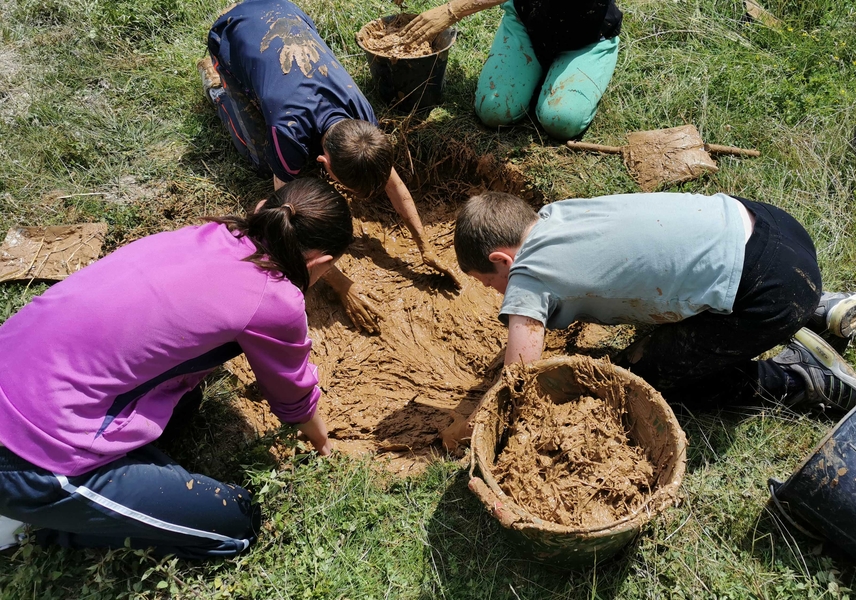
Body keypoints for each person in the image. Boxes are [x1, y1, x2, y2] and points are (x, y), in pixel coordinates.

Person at [0, 177, 353, 559]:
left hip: (21, 373)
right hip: (31, 454)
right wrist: (324, 445)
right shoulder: (275, 298)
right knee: (236, 524)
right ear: (322, 263)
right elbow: (293, 396)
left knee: (185, 401)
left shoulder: (209, 233)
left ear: (262, 208)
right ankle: (32, 534)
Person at [453, 190, 856, 415]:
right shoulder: (556, 215)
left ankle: (799, 379)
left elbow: (519, 378)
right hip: (771, 228)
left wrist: (472, 422)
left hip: (768, 290)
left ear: (501, 259)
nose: (498, 294)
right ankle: (821, 308)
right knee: (699, 279)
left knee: (644, 379)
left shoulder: (526, 273)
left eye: (489, 283)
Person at [199, 0, 459, 334]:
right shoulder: (288, 132)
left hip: (286, 12)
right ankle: (215, 83)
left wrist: (423, 246)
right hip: (235, 32)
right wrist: (342, 285)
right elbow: (287, 218)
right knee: (261, 160)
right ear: (323, 165)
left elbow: (391, 181)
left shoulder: (363, 118)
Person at [402, 0, 622, 140]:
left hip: (587, 36)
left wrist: (453, 10)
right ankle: (536, 71)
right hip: (529, 22)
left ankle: (583, 66)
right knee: (494, 110)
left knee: (561, 121)